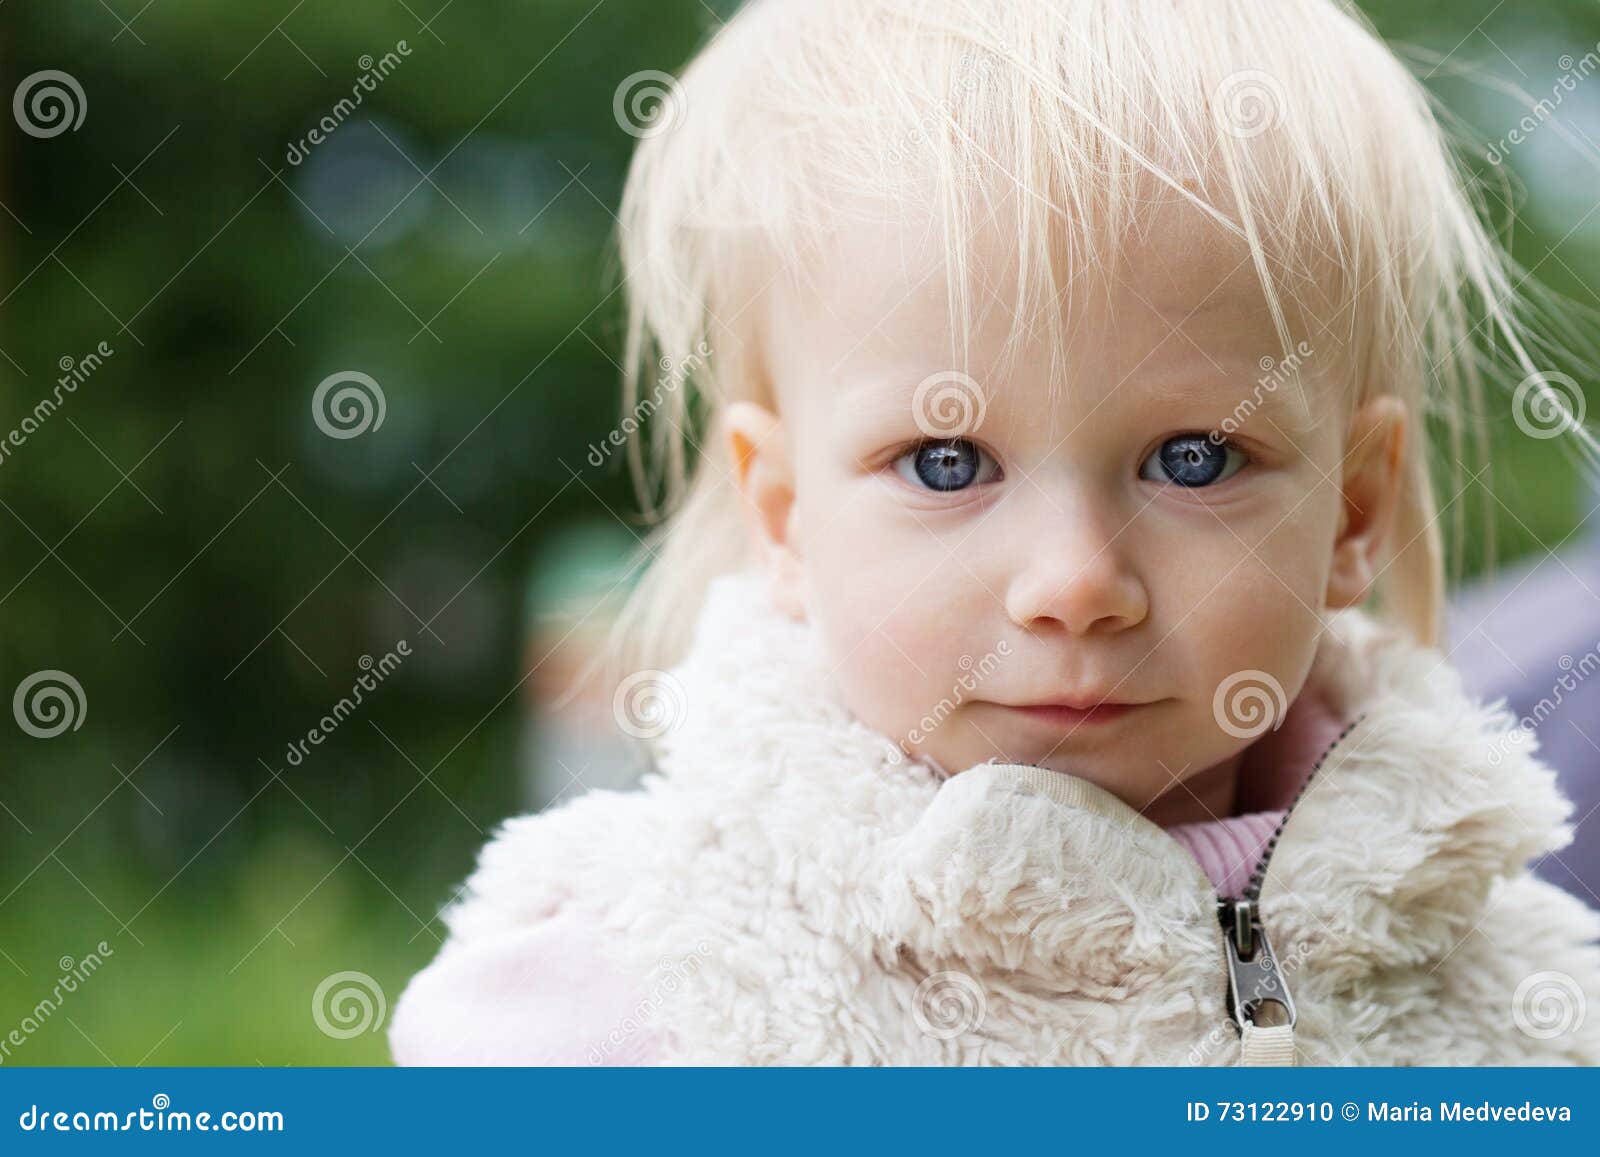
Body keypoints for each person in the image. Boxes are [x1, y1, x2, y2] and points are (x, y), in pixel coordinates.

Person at [390, 0, 1600, 1065]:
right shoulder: (638, 1000)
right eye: (946, 461)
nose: (1075, 582)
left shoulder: (1531, 1008)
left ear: (1353, 511)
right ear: (786, 515)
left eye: (1194, 458)